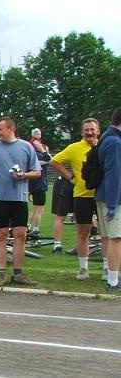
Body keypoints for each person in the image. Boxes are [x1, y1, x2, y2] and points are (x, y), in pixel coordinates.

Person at [0, 117, 41, 286]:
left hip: (19, 198)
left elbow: (37, 172)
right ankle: (1, 273)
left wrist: (23, 175)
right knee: (1, 235)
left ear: (10, 129)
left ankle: (18, 273)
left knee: (20, 235)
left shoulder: (26, 147)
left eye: (0, 129)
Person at [51, 117, 104, 281]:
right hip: (82, 196)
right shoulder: (74, 148)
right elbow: (55, 161)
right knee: (83, 233)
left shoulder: (106, 146)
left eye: (92, 129)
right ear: (82, 132)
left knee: (108, 235)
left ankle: (109, 269)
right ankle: (83, 268)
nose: (89, 132)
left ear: (98, 131)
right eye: (86, 130)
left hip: (103, 195)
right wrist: (70, 176)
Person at [95, 108, 121, 291]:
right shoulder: (114, 142)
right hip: (113, 197)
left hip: (105, 195)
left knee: (108, 237)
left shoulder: (107, 137)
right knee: (116, 238)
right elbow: (114, 173)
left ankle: (110, 274)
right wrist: (112, 204)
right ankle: (113, 280)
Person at [27, 128, 52, 235]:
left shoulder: (30, 149)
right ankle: (35, 230)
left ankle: (28, 226)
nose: (39, 135)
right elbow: (49, 159)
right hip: (38, 183)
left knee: (35, 208)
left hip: (32, 183)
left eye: (40, 133)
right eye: (36, 133)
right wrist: (43, 150)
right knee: (39, 209)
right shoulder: (35, 152)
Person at [50, 176, 75, 253]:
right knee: (61, 215)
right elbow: (56, 164)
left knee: (82, 215)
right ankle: (57, 245)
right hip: (65, 181)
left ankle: (81, 245)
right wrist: (70, 176)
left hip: (80, 181)